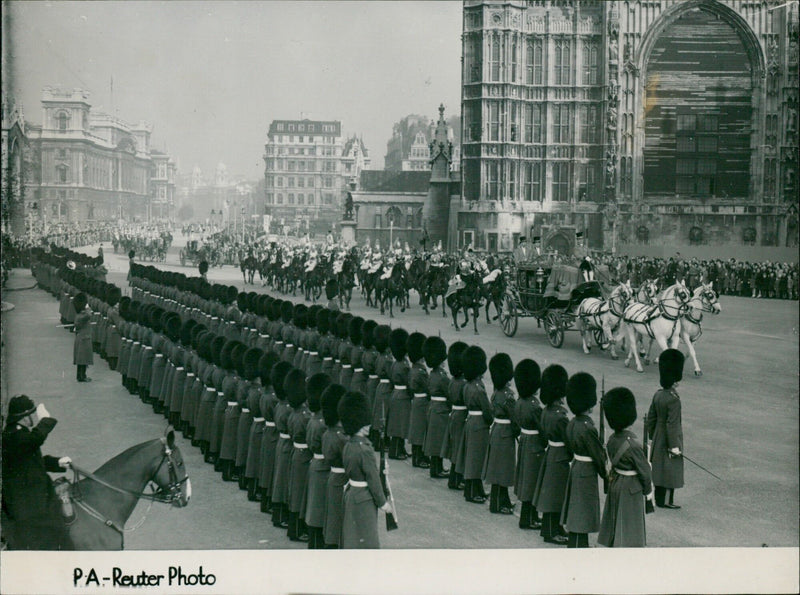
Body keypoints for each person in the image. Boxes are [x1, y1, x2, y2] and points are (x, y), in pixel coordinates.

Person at [1, 395, 73, 550]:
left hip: (29, 496)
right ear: (23, 417)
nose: (32, 417)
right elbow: (34, 440)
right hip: (26, 503)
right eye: (30, 414)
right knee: (56, 530)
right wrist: (45, 421)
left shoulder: (18, 434)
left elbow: (32, 460)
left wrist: (57, 462)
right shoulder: (15, 436)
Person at [598, 387, 654, 547]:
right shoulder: (633, 445)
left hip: (617, 482)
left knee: (616, 520)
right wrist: (648, 492)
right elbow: (645, 472)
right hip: (631, 487)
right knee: (630, 527)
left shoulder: (612, 440)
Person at [338, 390, 392, 549]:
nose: (370, 425)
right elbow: (373, 480)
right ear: (360, 422)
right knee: (367, 540)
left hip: (351, 495)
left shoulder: (349, 444)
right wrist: (383, 503)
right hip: (365, 500)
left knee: (352, 538)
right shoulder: (365, 449)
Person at [560, 372, 608, 548]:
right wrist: (605, 473)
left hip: (577, 467)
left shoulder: (572, 423)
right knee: (583, 510)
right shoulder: (588, 428)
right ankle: (580, 545)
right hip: (587, 471)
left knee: (577, 508)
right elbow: (597, 455)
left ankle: (576, 542)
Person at [533, 364, 570, 545]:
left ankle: (555, 528)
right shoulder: (560, 416)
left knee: (554, 494)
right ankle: (551, 531)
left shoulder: (546, 411)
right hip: (560, 456)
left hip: (551, 453)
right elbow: (568, 440)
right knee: (555, 496)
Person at [646, 349, 685, 509]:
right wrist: (674, 446)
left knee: (659, 467)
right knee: (670, 468)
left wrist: (652, 435)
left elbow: (651, 418)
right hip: (669, 438)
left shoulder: (658, 395)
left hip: (658, 436)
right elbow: (672, 424)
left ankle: (659, 499)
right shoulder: (673, 400)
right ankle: (667, 501)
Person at [483, 352, 518, 515]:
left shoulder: (496, 392)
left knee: (498, 468)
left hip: (497, 430)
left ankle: (501, 500)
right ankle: (498, 504)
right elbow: (515, 417)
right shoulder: (508, 395)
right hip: (505, 433)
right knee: (503, 469)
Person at [513, 358, 545, 530]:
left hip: (525, 442)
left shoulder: (519, 402)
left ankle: (530, 516)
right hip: (534, 444)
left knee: (527, 479)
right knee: (532, 481)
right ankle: (527, 519)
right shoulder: (534, 406)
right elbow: (542, 428)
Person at [461, 345, 492, 504]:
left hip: (471, 421)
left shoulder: (467, 385)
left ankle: (475, 489)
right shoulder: (479, 388)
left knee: (473, 458)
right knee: (476, 459)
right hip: (479, 424)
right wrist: (490, 420)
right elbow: (487, 409)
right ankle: (472, 492)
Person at [72, 292, 93, 382]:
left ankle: (80, 375)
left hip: (81, 338)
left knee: (81, 360)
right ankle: (82, 376)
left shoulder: (79, 315)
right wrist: (87, 306)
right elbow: (89, 315)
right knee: (83, 360)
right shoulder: (82, 316)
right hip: (84, 339)